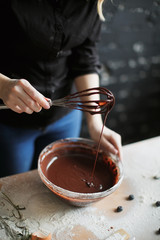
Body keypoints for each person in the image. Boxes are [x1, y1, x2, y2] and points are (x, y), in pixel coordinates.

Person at [0, 0, 122, 178]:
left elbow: (84, 58)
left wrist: (95, 123)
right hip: (11, 123)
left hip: (65, 118)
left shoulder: (90, 3)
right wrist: (3, 86)